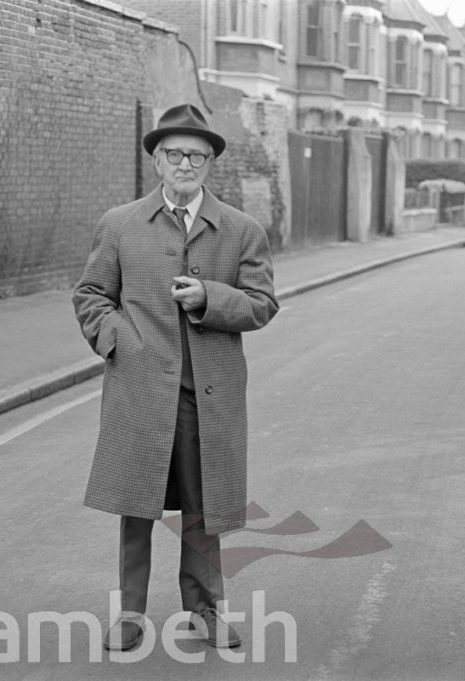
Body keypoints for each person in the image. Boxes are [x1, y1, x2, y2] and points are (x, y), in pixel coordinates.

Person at [73, 103, 279, 651]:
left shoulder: (241, 230)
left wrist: (212, 297)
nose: (185, 164)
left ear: (210, 163)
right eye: (174, 154)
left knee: (203, 508)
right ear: (157, 161)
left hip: (206, 397)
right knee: (136, 505)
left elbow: (262, 305)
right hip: (140, 390)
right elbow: (91, 295)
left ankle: (205, 611)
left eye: (196, 155)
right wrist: (119, 342)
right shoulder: (119, 225)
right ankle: (130, 615)